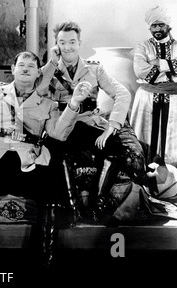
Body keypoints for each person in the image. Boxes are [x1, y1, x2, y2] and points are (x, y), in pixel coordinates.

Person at [0, 51, 91, 269]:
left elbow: (58, 134)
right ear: (13, 69)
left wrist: (74, 103)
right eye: (21, 65)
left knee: (52, 185)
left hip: (27, 162)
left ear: (38, 72)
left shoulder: (48, 104)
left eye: (31, 66)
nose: (26, 69)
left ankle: (44, 258)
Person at [38, 21, 146, 221]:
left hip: (88, 124)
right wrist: (52, 63)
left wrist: (112, 125)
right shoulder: (49, 70)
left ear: (79, 43)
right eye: (62, 43)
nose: (68, 47)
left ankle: (100, 201)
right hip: (64, 125)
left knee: (115, 147)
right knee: (54, 148)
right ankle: (72, 205)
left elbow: (121, 93)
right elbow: (38, 92)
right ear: (57, 45)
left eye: (72, 42)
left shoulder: (94, 69)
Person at [131, 6, 177, 166]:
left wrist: (158, 63)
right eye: (154, 26)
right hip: (147, 99)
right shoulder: (143, 47)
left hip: (174, 100)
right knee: (144, 140)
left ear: (168, 26)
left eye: (161, 25)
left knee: (173, 140)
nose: (157, 29)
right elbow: (140, 71)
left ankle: (174, 177)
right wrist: (172, 68)